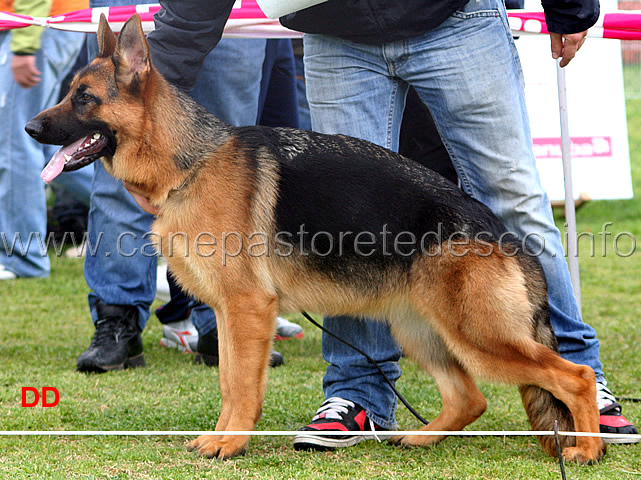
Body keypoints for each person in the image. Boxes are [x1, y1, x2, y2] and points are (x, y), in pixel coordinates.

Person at [143, 0, 636, 446]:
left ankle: (580, 378)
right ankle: (360, 398)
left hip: (457, 17)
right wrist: (151, 100)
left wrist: (569, 5)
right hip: (336, 30)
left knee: (515, 201)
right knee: (345, 227)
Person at [74, 0, 275, 373]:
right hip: (124, 5)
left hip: (231, 9)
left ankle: (223, 319)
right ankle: (117, 320)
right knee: (114, 151)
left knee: (229, 164)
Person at [0, 0, 93, 280]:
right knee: (42, 151)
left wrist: (25, 44)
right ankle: (145, 211)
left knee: (15, 143)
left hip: (36, 24)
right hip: (33, 24)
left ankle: (24, 260)